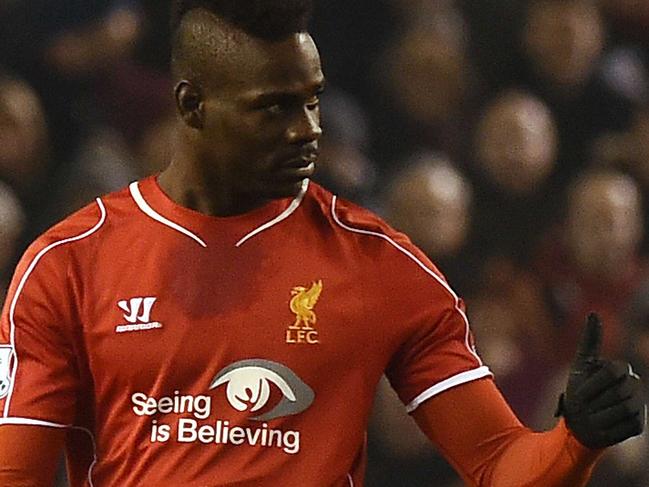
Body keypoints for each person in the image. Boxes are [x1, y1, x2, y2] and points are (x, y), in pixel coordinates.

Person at [0, 1, 644, 486]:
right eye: (275, 108)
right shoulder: (69, 264)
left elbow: (498, 461)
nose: (308, 130)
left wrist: (575, 439)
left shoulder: (380, 264)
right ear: (192, 106)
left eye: (313, 103)